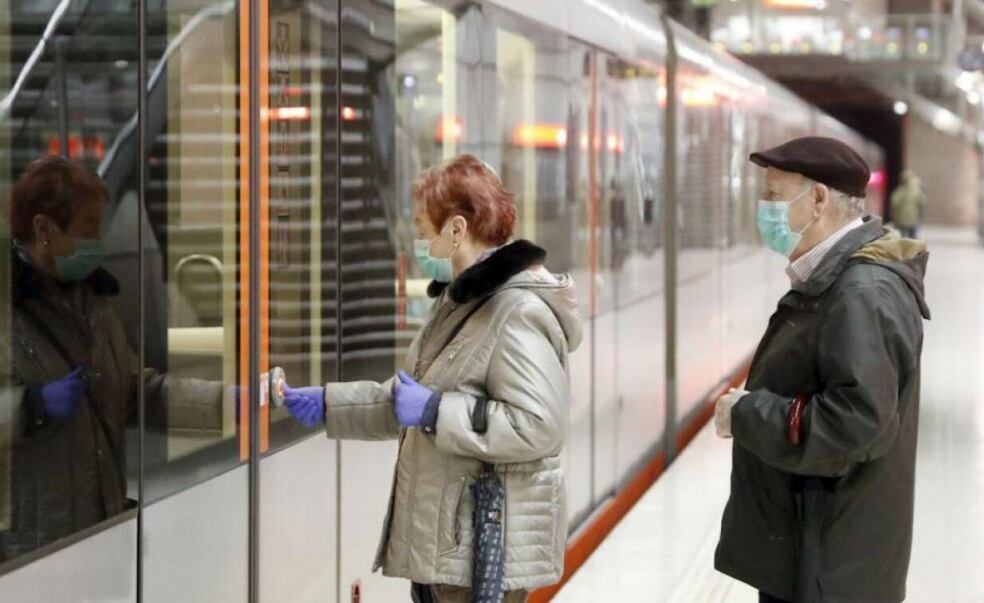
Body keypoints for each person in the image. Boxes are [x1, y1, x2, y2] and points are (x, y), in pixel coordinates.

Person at [278, 154, 581, 603]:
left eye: (422, 229)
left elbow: (538, 425)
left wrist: (437, 411)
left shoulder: (515, 312)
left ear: (456, 230)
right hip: (448, 548)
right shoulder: (460, 304)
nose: (419, 242)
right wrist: (327, 404)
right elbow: (411, 402)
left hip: (477, 553)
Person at [712, 137, 931, 603]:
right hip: (817, 549)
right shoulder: (837, 280)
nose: (764, 208)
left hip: (827, 565)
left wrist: (748, 414)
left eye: (773, 196)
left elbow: (857, 423)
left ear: (817, 199)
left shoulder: (861, 292)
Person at [0, 156, 225, 562]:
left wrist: (224, 403)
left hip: (99, 531)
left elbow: (134, 389)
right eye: (87, 229)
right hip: (33, 550)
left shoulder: (92, 304)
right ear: (44, 230)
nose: (97, 243)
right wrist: (31, 407)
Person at [889, 169, 927, 239]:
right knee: (913, 237)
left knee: (902, 237)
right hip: (913, 218)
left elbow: (894, 202)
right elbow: (922, 201)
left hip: (901, 219)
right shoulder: (917, 189)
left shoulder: (900, 189)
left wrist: (894, 215)